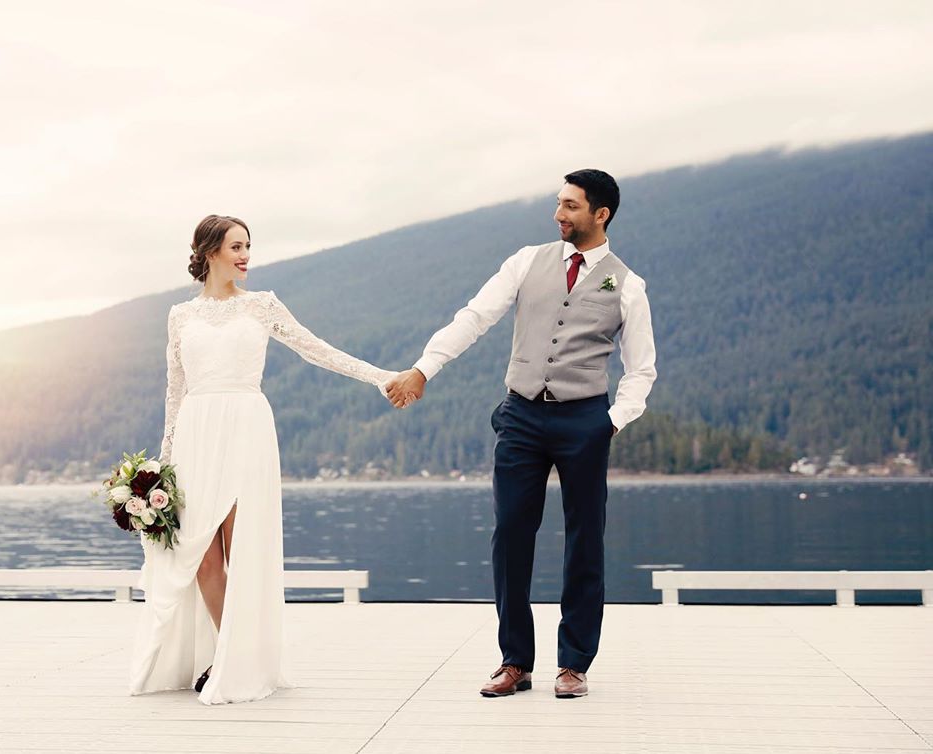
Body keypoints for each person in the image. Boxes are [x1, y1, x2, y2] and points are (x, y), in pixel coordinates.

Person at [385, 169, 657, 699]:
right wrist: (424, 368)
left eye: (571, 206)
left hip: (585, 422)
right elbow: (475, 317)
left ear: (600, 215)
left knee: (585, 542)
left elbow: (641, 369)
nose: (559, 214)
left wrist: (611, 421)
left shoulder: (628, 285)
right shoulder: (524, 262)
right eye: (558, 204)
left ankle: (574, 663)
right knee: (510, 533)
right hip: (522, 417)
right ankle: (516, 662)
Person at [129, 214, 397, 704]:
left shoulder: (262, 306)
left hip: (246, 428)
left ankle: (235, 662)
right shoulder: (180, 316)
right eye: (236, 246)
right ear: (209, 251)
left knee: (241, 552)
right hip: (195, 432)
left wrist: (380, 376)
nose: (245, 255)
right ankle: (226, 655)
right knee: (203, 558)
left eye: (248, 246)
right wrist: (159, 467)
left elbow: (318, 350)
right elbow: (175, 390)